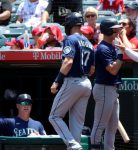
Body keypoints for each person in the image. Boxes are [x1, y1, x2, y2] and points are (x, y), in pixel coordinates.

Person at [49, 12, 95, 150]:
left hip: (73, 81)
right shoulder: (89, 42)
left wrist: (57, 81)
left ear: (70, 25)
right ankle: (75, 145)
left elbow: (68, 62)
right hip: (86, 83)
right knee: (76, 123)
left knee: (54, 116)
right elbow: (92, 69)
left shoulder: (70, 39)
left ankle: (73, 145)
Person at [91, 18, 123, 150]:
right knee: (99, 125)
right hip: (104, 88)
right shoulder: (103, 48)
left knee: (112, 127)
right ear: (109, 30)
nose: (118, 31)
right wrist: (121, 55)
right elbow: (113, 69)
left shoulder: (112, 46)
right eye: (115, 29)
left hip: (112, 90)